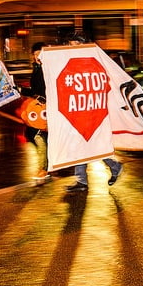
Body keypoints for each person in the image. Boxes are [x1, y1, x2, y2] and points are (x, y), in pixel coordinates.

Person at [64, 32, 123, 192]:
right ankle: (84, 179)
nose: (72, 49)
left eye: (75, 45)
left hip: (92, 112)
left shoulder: (95, 62)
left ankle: (111, 168)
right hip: (79, 110)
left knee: (90, 145)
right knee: (82, 145)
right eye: (70, 45)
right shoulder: (71, 62)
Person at [20, 41, 50, 184]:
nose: (37, 56)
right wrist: (21, 90)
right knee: (33, 135)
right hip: (39, 107)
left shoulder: (48, 68)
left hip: (47, 108)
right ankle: (47, 164)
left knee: (39, 137)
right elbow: (36, 90)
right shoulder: (37, 68)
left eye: (39, 53)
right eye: (35, 54)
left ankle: (44, 168)